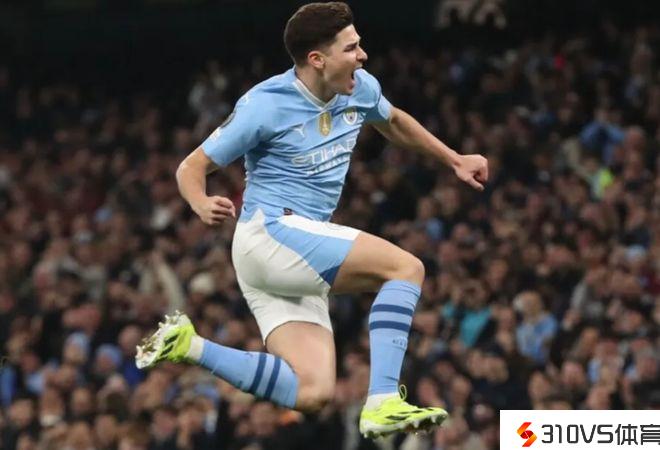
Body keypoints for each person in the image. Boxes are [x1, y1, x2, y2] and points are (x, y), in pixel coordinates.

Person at [136, 1, 488, 439]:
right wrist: (201, 202)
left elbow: (393, 121)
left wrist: (454, 159)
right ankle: (383, 398)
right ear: (318, 59)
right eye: (351, 48)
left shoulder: (359, 87)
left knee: (312, 391)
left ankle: (189, 345)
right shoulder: (264, 105)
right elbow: (191, 167)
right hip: (271, 235)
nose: (362, 55)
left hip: (288, 255)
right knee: (406, 268)